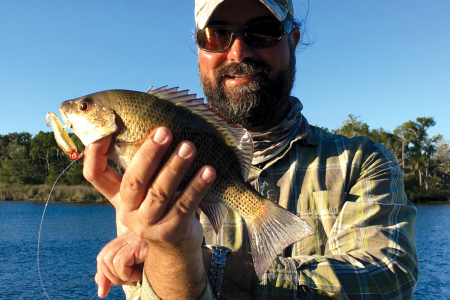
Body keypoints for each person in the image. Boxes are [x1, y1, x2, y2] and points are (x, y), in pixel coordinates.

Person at [86, 0, 419, 299]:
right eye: (217, 35)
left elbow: (389, 278)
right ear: (199, 48)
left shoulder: (362, 161)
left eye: (262, 32)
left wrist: (211, 266)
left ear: (293, 40)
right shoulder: (147, 176)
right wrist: (171, 255)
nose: (238, 52)